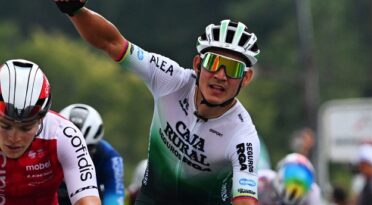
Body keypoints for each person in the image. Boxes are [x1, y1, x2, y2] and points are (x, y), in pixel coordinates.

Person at [53, 1, 261, 205]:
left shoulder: (242, 135)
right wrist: (74, 10)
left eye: (233, 69)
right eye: (214, 63)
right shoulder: (171, 79)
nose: (221, 75)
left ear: (246, 78)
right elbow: (113, 43)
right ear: (198, 64)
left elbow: (245, 200)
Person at [0, 59, 100, 204]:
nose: (14, 137)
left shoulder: (64, 134)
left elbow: (88, 200)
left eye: (26, 128)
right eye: (5, 126)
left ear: (41, 119)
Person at [58, 103, 125, 205]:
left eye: (84, 151)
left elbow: (114, 198)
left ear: (94, 146)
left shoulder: (110, 157)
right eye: (66, 151)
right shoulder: (42, 147)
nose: (75, 158)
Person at [257, 153, 322, 205]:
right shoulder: (262, 180)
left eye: (303, 183)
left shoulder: (313, 194)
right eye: (291, 178)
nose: (295, 187)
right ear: (281, 173)